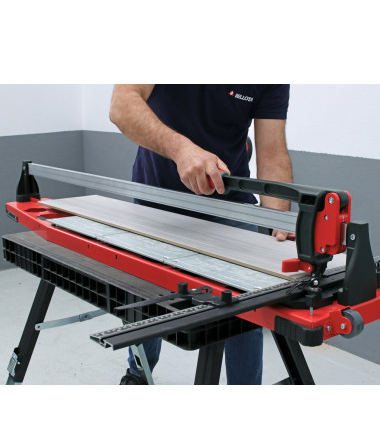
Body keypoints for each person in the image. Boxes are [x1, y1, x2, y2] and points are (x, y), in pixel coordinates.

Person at [109, 84, 293, 385]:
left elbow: (272, 154)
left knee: (247, 303)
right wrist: (182, 150)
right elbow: (121, 105)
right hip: (157, 198)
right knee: (148, 297)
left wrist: (278, 220)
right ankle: (139, 374)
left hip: (229, 203)